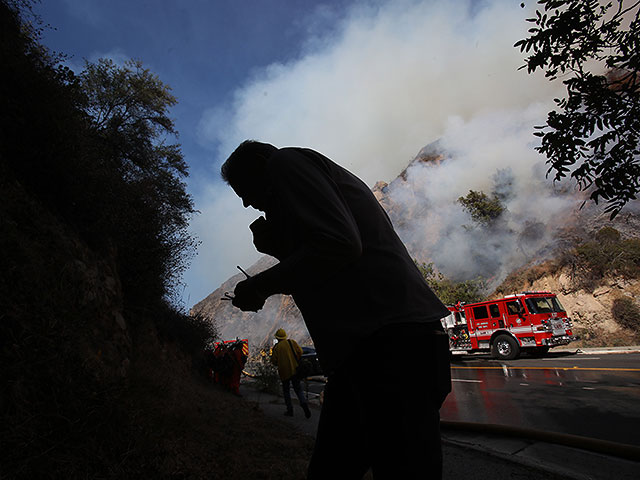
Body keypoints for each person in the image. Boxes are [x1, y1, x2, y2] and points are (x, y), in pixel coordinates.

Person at [221, 140, 451, 479]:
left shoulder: (284, 162)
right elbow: (327, 262)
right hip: (369, 349)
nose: (245, 202)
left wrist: (259, 286)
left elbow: (340, 244)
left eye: (244, 188)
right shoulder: (299, 182)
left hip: (388, 345)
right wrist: (279, 245)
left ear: (259, 162)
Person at [271, 328, 312, 418]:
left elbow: (274, 361)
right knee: (298, 390)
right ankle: (304, 405)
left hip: (284, 373)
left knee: (286, 391)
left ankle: (290, 410)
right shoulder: (291, 342)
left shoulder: (277, 348)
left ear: (277, 338)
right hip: (295, 370)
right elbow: (300, 352)